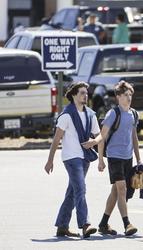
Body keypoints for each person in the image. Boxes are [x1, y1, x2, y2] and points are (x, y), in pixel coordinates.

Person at [44, 82, 99, 238]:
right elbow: (56, 140)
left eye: (86, 93)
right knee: (81, 189)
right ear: (74, 95)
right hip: (71, 157)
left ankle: (62, 226)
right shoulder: (67, 115)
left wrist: (94, 143)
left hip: (85, 157)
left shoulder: (90, 114)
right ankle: (85, 224)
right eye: (82, 93)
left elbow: (99, 135)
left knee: (72, 192)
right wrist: (50, 160)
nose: (85, 95)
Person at [87, 80, 141, 236]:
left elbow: (134, 137)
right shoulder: (113, 114)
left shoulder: (134, 114)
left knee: (116, 192)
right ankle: (127, 224)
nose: (129, 97)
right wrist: (101, 160)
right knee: (122, 189)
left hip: (128, 157)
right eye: (125, 95)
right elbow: (102, 137)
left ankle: (103, 223)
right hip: (114, 156)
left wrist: (138, 159)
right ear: (118, 97)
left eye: (130, 94)